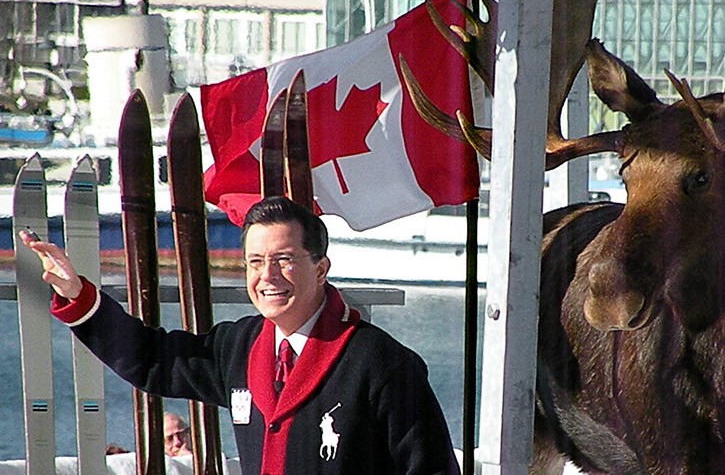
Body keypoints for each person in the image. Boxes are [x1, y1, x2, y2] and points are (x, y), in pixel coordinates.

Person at [21, 196, 460, 474]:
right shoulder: (240, 346)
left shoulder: (381, 363)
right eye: (254, 262)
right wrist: (79, 298)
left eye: (284, 259)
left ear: (321, 269)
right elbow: (155, 360)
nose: (267, 277)